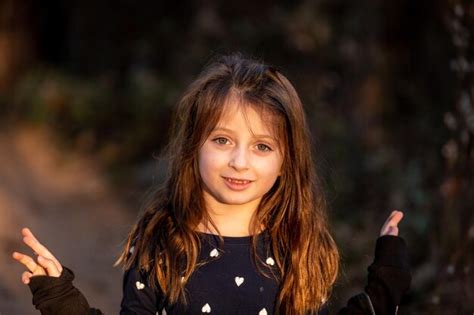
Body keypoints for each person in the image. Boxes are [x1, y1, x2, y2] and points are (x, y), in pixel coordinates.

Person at [12, 54, 410, 314]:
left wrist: (387, 276)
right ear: (194, 147)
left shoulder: (298, 243)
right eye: (222, 140)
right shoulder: (163, 242)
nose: (239, 161)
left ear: (287, 161)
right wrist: (61, 299)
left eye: (262, 146)